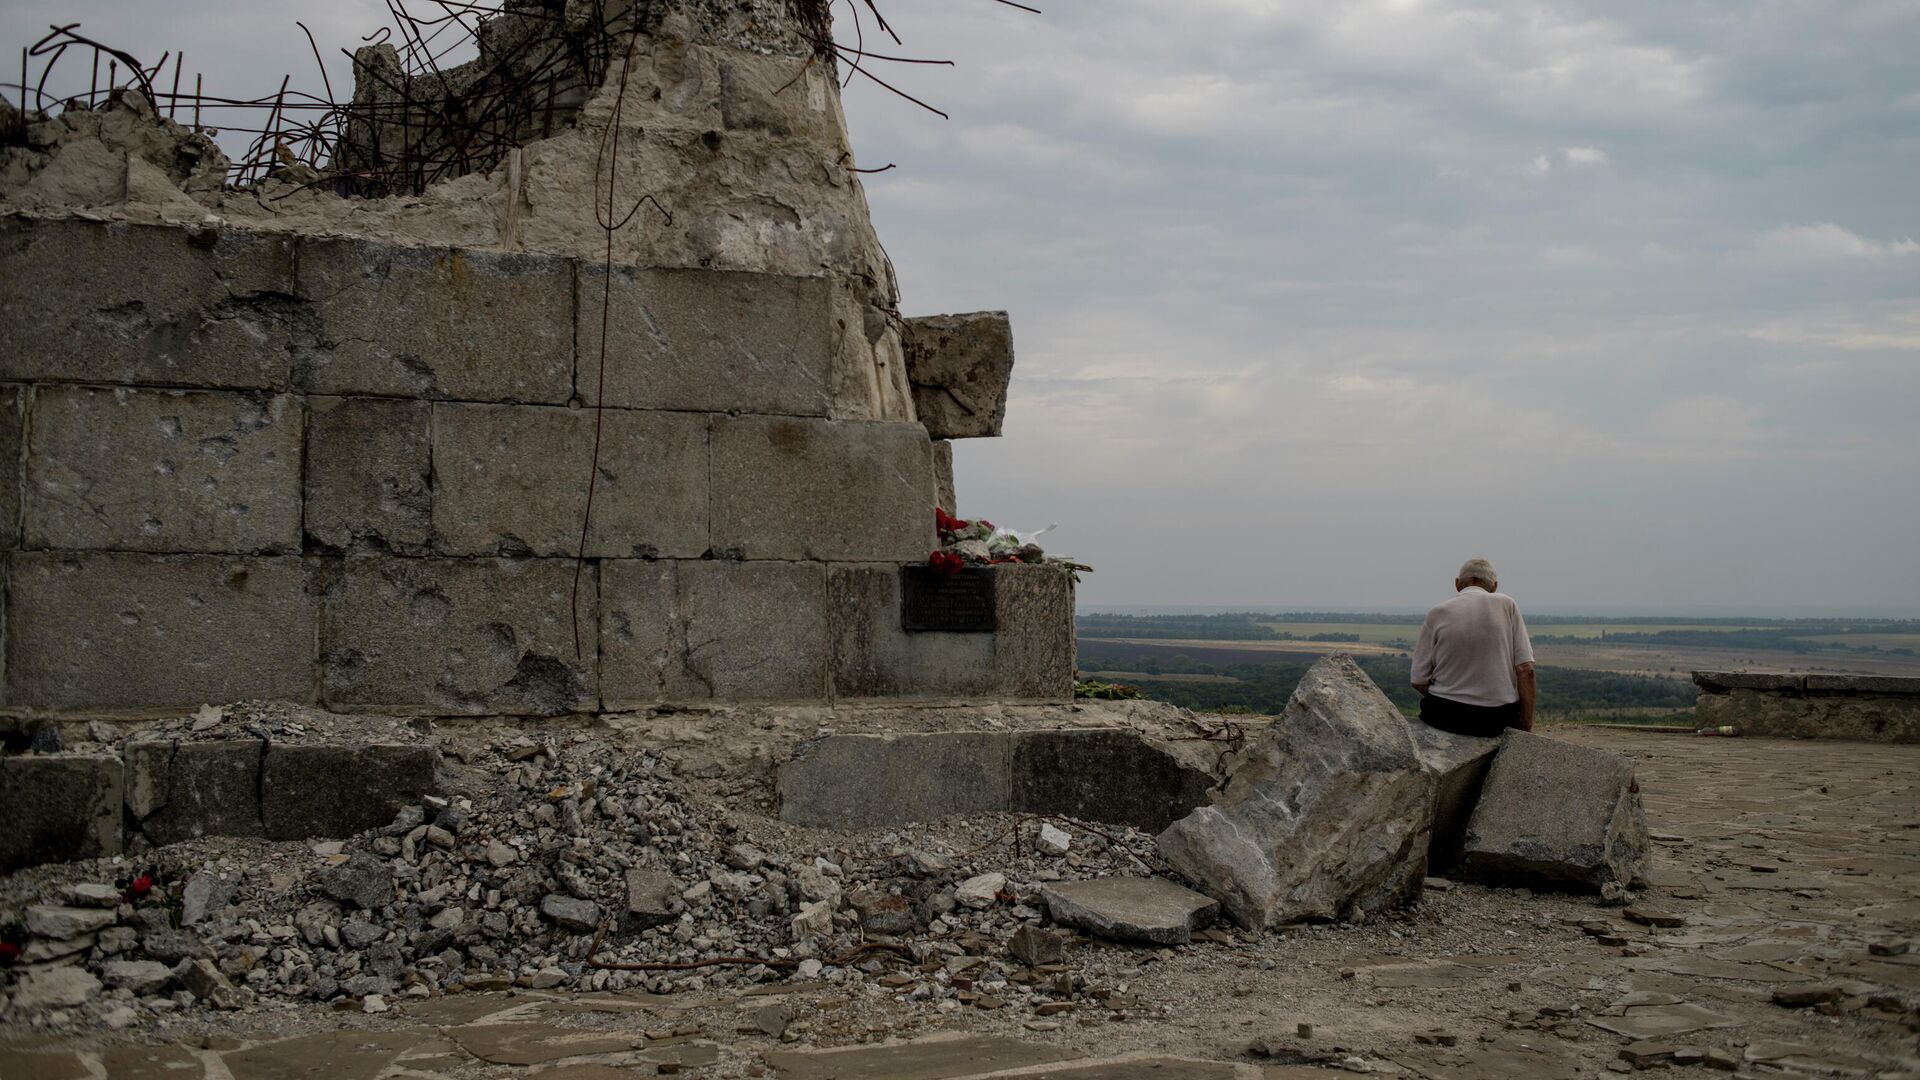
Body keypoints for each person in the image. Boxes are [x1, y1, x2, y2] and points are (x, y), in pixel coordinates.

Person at [1410, 558, 1536, 736]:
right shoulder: (1506, 604)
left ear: (1457, 584)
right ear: (1494, 586)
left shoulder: (1437, 612)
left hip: (1442, 715)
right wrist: (1526, 725)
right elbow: (1525, 670)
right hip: (1495, 718)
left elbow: (1418, 680)